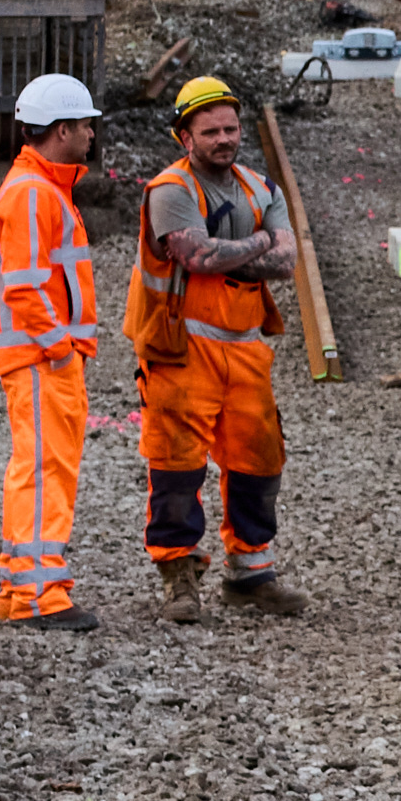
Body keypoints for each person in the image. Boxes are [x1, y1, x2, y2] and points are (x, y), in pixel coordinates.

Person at [131, 76, 294, 611]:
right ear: (186, 138)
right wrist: (260, 240)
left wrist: (231, 251)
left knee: (259, 461)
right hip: (180, 349)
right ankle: (178, 576)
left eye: (231, 128)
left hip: (245, 348)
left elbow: (287, 262)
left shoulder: (261, 187)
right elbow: (196, 256)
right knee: (176, 465)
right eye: (211, 132)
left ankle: (251, 573)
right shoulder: (170, 190)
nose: (225, 139)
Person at [0, 73, 103, 626]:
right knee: (43, 473)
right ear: (60, 131)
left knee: (38, 470)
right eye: (84, 125)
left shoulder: (40, 188)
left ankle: (21, 591)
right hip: (41, 359)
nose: (90, 135)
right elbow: (25, 287)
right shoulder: (34, 193)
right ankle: (39, 597)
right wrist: (60, 348)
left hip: (41, 357)